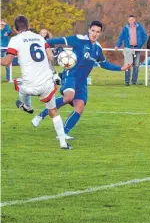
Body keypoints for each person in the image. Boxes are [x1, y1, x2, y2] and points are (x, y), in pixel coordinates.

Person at [31, 21, 132, 138]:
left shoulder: (98, 48)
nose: (94, 34)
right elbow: (60, 40)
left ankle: (62, 134)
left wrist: (121, 68)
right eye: (93, 31)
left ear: (100, 33)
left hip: (82, 81)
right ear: (89, 30)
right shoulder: (79, 39)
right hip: (71, 74)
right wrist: (43, 42)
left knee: (79, 107)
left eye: (97, 32)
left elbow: (104, 64)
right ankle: (41, 116)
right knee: (69, 96)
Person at [0, 15, 71, 150]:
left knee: (19, 84)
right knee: (53, 111)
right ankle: (63, 143)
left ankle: (27, 106)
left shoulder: (15, 40)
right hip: (46, 83)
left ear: (15, 28)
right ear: (28, 25)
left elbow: (6, 62)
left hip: (30, 85)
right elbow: (50, 57)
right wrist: (55, 72)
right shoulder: (40, 38)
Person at [115, 15, 148, 86]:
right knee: (127, 65)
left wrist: (140, 44)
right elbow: (121, 37)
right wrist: (118, 45)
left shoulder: (140, 27)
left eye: (132, 20)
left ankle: (134, 82)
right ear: (128, 20)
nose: (131, 21)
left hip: (137, 48)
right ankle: (127, 81)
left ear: (134, 20)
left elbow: (145, 36)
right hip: (128, 49)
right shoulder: (125, 28)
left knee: (136, 65)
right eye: (130, 20)